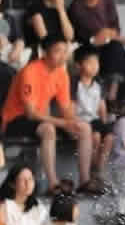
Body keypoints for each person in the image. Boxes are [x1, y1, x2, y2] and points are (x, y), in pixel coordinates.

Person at [3, 36, 99, 193]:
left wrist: (73, 123)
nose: (62, 56)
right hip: (16, 120)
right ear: (44, 53)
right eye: (57, 51)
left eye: (65, 51)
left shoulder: (61, 74)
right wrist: (63, 123)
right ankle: (53, 184)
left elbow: (66, 108)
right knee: (48, 129)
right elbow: (30, 113)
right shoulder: (30, 71)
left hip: (40, 119)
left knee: (84, 128)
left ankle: (84, 181)